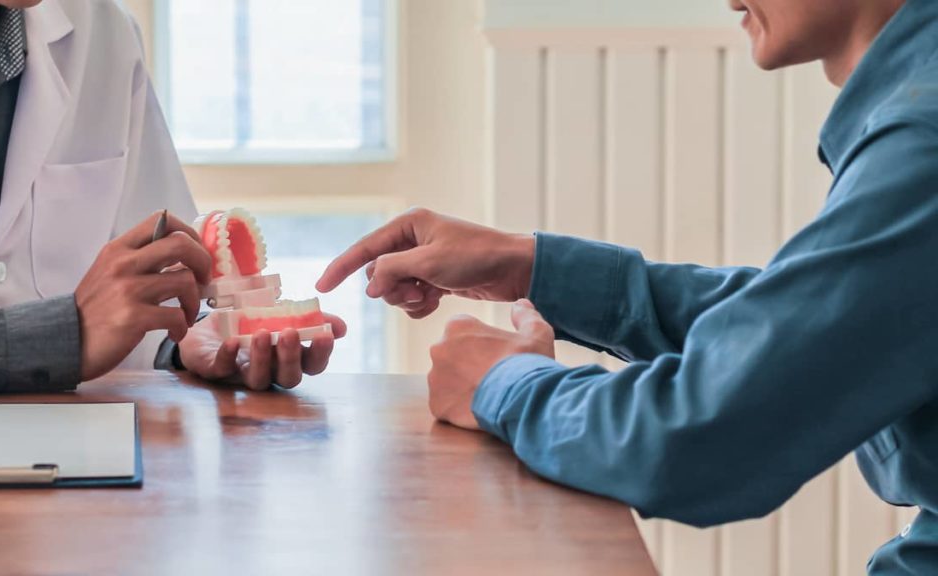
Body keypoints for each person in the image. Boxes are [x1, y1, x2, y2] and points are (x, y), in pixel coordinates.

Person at [318, 0, 938, 572]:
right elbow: (811, 326)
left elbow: (699, 435)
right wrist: (531, 267)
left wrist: (501, 386)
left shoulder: (922, 139)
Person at [0, 0, 341, 397]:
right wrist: (55, 336)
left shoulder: (103, 32)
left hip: (79, 443)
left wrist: (182, 341)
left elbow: (157, 280)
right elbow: (86, 325)